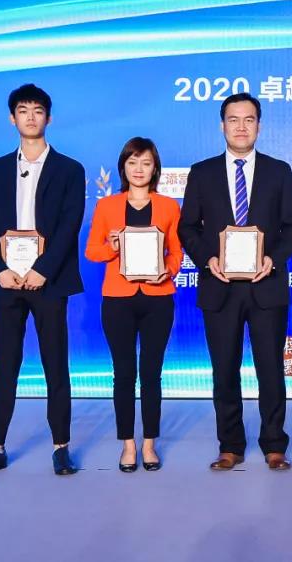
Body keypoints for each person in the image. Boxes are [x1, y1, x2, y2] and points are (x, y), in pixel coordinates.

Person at [177, 93, 292, 472]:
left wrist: (272, 259)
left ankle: (274, 444)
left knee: (271, 370)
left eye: (249, 119)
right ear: (222, 125)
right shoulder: (202, 173)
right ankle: (230, 445)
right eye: (234, 119)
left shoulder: (279, 171)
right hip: (220, 288)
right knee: (224, 371)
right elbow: (187, 227)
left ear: (259, 126)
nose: (241, 127)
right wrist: (208, 259)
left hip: (267, 286)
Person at [0, 83, 86, 477]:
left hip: (49, 281)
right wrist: (0, 268)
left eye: (37, 110)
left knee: (55, 365)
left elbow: (69, 225)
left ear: (48, 118)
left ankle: (61, 447)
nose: (30, 117)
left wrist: (42, 269)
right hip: (6, 281)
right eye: (23, 110)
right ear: (12, 118)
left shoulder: (70, 169)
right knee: (6, 366)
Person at [85, 137, 182, 472]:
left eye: (146, 163)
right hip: (118, 300)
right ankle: (128, 444)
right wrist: (112, 247)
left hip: (158, 298)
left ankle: (149, 443)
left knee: (151, 373)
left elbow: (176, 251)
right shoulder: (106, 206)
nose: (139, 169)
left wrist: (168, 270)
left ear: (155, 169)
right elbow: (92, 251)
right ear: (123, 167)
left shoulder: (169, 206)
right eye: (132, 162)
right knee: (123, 374)